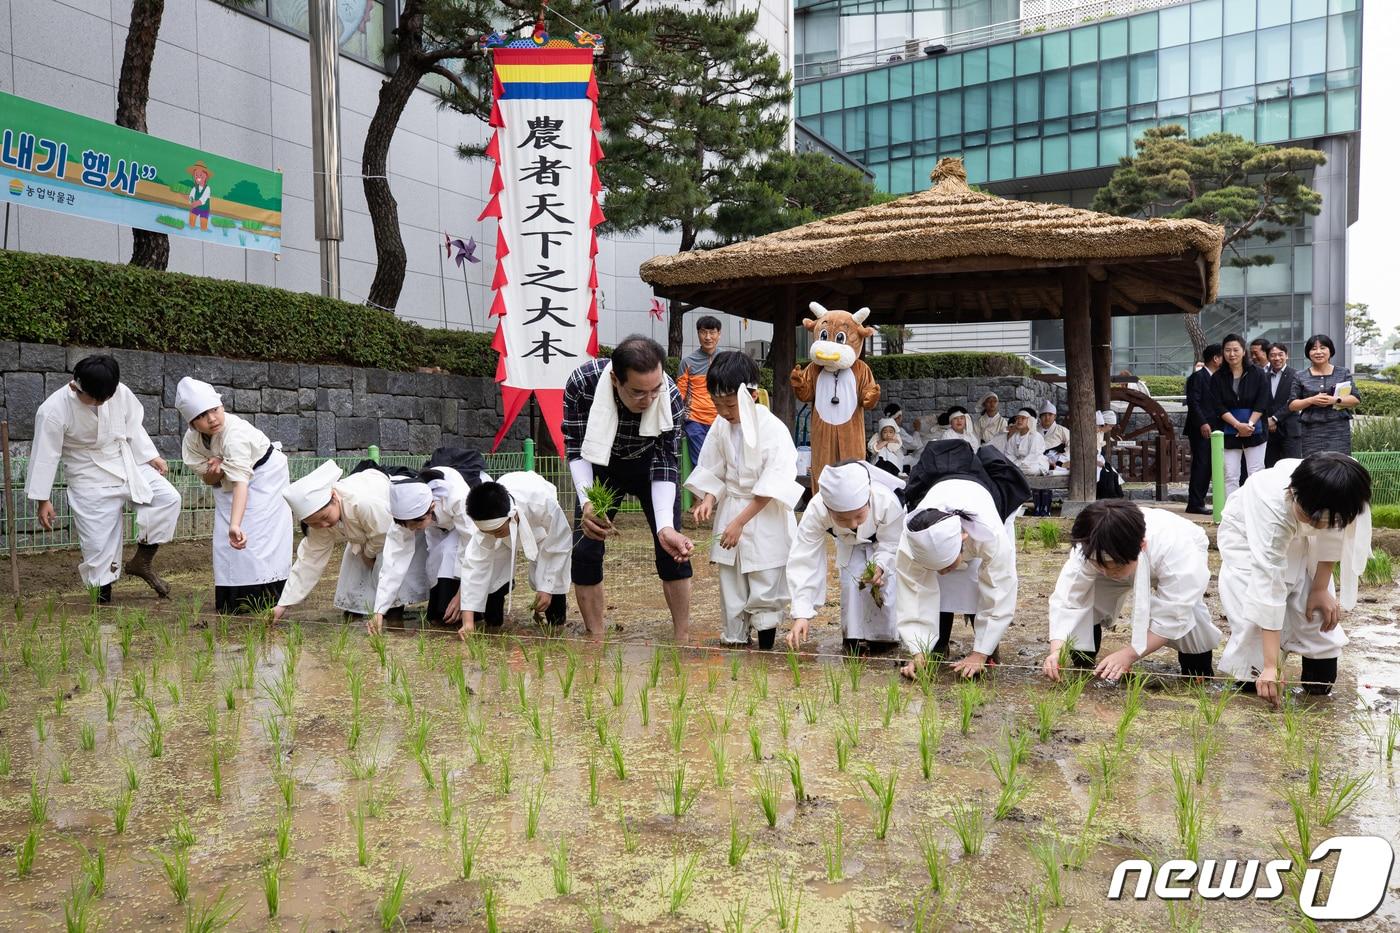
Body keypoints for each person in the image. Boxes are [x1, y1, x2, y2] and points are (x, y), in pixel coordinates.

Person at [564, 336, 695, 639]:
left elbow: (666, 460)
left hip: (650, 464)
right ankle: (595, 636)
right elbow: (575, 447)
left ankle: (682, 638)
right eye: (638, 392)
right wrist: (587, 502)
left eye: (654, 390)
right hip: (600, 463)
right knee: (585, 548)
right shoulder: (582, 384)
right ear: (615, 379)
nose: (649, 400)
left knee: (671, 550)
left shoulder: (670, 395)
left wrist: (665, 527)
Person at [1216, 453, 1372, 704]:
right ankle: (1255, 676)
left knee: (1315, 614)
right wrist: (1269, 666)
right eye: (1309, 517)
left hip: (1303, 540)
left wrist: (1320, 588)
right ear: (1292, 491)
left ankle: (1317, 683)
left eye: (1321, 521)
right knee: (1253, 619)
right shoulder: (1270, 505)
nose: (1313, 523)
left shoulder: (1346, 492)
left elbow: (1333, 537)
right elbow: (1269, 585)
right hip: (1247, 538)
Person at [26, 354, 181, 603]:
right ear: (77, 385)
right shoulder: (53, 410)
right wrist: (42, 499)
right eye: (95, 399)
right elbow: (45, 454)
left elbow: (133, 426)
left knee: (167, 498)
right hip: (87, 472)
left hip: (123, 460)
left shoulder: (118, 392)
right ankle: (103, 599)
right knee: (99, 543)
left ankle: (143, 560)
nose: (99, 403)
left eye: (104, 399)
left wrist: (150, 455)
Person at [686, 351, 804, 649]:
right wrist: (709, 499)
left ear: (751, 394)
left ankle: (765, 646)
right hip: (732, 509)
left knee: (764, 580)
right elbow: (715, 467)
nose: (724, 411)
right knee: (732, 582)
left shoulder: (773, 429)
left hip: (763, 515)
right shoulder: (720, 426)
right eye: (717, 404)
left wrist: (740, 521)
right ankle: (735, 640)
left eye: (729, 404)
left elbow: (773, 483)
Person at [1041, 500, 1221, 683]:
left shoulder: (1178, 552)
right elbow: (1068, 600)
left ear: (1142, 545)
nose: (1108, 572)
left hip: (1169, 557)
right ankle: (1083, 665)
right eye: (1100, 565)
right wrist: (1056, 651)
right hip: (1122, 555)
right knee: (1090, 600)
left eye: (1115, 566)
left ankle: (1197, 673)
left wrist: (1129, 655)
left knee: (1189, 613)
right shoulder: (1088, 544)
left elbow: (1173, 615)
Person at [895, 440, 1026, 680]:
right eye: (938, 568)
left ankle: (987, 647)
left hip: (986, 498)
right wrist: (917, 649)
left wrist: (980, 652)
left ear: (963, 538)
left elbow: (1000, 587)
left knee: (978, 584)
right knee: (938, 587)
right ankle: (933, 648)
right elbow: (913, 589)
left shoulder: (990, 532)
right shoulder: (911, 537)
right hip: (938, 492)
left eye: (946, 566)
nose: (943, 573)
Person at [176, 377, 291, 614]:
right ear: (191, 422)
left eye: (214, 410)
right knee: (225, 541)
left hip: (265, 474)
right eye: (201, 416)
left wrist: (236, 524)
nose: (211, 419)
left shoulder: (235, 433)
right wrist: (215, 470)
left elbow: (241, 483)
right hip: (230, 481)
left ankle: (268, 598)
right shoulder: (191, 442)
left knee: (257, 535)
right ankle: (232, 598)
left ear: (222, 407)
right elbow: (208, 479)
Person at [787, 460, 904, 654]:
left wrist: (881, 566)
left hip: (882, 541)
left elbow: (891, 543)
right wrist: (801, 613)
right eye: (841, 518)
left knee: (885, 588)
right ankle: (853, 637)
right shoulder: (817, 509)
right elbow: (804, 559)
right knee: (852, 582)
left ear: (868, 499)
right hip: (848, 542)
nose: (852, 523)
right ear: (828, 509)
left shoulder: (887, 501)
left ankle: (885, 640)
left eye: (859, 516)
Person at [365, 452, 490, 634]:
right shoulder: (404, 513)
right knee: (435, 561)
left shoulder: (457, 496)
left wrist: (463, 595)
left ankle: (473, 613)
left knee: (450, 553)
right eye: (410, 526)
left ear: (431, 507)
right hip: (440, 525)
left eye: (417, 524)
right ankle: (442, 608)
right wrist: (379, 612)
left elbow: (473, 545)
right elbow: (392, 563)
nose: (414, 530)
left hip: (472, 511)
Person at [272, 461, 401, 624]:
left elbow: (383, 533)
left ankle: (392, 607)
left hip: (386, 529)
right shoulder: (320, 522)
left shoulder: (362, 502)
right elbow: (309, 561)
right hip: (362, 535)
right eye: (315, 523)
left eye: (325, 518)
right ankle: (357, 608)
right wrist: (283, 605)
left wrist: (368, 553)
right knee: (356, 564)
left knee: (384, 565)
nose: (323, 526)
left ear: (334, 497)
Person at [456, 472, 573, 634]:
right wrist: (467, 621)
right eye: (488, 532)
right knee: (492, 574)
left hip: (538, 529)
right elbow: (474, 565)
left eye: (497, 530)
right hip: (506, 531)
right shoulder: (488, 517)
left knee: (550, 577)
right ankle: (493, 626)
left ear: (511, 517)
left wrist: (547, 587)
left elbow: (559, 544)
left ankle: (557, 625)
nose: (494, 535)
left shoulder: (541, 501)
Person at [1208, 333, 1270, 497]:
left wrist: (1248, 424)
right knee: (1230, 474)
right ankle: (1232, 514)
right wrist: (1237, 425)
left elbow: (1262, 402)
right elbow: (1217, 405)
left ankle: (1256, 512)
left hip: (1255, 429)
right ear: (1223, 353)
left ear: (1244, 351)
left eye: (1236, 350)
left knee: (1256, 473)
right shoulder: (1217, 377)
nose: (1232, 354)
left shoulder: (1258, 373)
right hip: (1228, 430)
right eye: (1227, 350)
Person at [1290, 334, 1360, 456]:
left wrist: (1335, 400)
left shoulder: (1343, 373)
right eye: (1313, 348)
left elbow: (1355, 399)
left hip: (1338, 429)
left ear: (1330, 350)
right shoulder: (1300, 375)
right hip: (1311, 431)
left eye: (1322, 348)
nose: (1318, 352)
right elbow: (1292, 405)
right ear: (1308, 353)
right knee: (1313, 465)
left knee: (1339, 465)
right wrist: (1311, 400)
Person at [676, 315, 722, 465]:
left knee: (725, 463)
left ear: (719, 334)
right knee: (701, 465)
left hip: (722, 419)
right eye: (703, 332)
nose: (708, 337)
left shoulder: (726, 359)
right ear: (698, 334)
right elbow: (680, 394)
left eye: (712, 332)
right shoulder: (687, 362)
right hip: (696, 421)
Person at [1184, 344, 1222, 514]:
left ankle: (1199, 501)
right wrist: (1202, 423)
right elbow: (1194, 403)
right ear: (1215, 358)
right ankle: (1195, 503)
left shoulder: (1219, 377)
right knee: (1202, 464)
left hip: (1217, 428)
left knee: (1210, 465)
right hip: (1201, 429)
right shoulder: (1197, 377)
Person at [1264, 343, 1302, 467]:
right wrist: (1268, 420)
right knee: (1270, 468)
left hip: (1290, 430)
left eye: (1280, 354)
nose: (1277, 358)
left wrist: (1274, 418)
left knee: (1291, 468)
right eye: (1273, 355)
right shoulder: (1264, 376)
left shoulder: (1296, 375)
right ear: (1268, 357)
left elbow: (1293, 401)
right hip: (1269, 432)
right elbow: (1262, 401)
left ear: (1287, 356)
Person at [994, 407, 1048, 475]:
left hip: (1033, 463)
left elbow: (1033, 455)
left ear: (1030, 420)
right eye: (1018, 418)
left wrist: (1018, 464)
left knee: (1031, 469)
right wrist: (1015, 463)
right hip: (1017, 463)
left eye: (1023, 418)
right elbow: (1009, 454)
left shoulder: (1035, 436)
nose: (1019, 421)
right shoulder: (1014, 436)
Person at [1037, 400, 1070, 468]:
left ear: (1054, 416)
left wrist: (1062, 457)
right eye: (1044, 415)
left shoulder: (1062, 430)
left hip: (1057, 459)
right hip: (1038, 458)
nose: (1047, 417)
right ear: (1040, 417)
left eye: (1050, 414)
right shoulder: (1034, 429)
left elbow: (1071, 444)